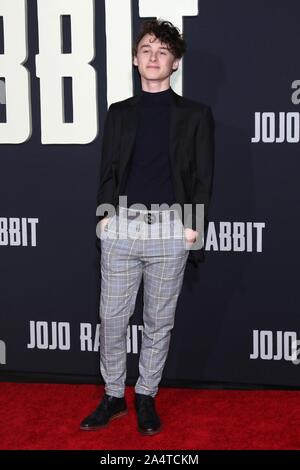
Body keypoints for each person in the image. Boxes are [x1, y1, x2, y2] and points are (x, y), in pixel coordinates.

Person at [80, 19, 215, 435]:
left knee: (159, 321)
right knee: (112, 318)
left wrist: (191, 230)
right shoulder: (119, 113)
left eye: (162, 51)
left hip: (171, 230)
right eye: (146, 49)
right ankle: (113, 396)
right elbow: (109, 170)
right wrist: (104, 218)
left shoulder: (195, 115)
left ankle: (147, 396)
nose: (153, 57)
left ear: (174, 62)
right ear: (135, 59)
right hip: (122, 226)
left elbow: (203, 177)